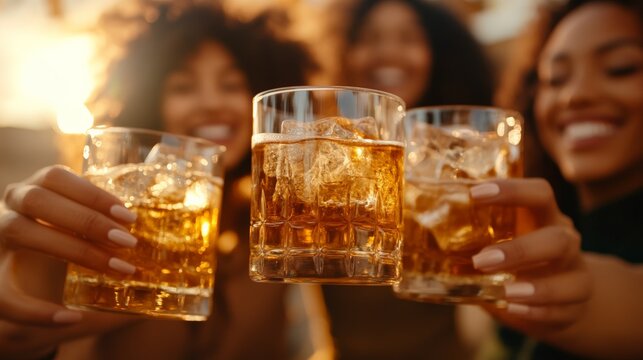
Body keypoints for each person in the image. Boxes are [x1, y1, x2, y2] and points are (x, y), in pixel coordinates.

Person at [0, 3, 317, 359]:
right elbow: (20, 336)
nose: (212, 103)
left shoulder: (277, 241)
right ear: (148, 102)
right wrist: (19, 288)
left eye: (232, 85)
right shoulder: (109, 228)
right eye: (182, 87)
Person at [319, 1, 495, 359]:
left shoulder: (471, 163)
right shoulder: (321, 159)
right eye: (370, 37)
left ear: (438, 53)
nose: (388, 52)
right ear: (345, 52)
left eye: (408, 37)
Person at [474, 0, 643, 358]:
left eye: (620, 68)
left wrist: (581, 299)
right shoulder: (523, 235)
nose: (574, 95)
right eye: (554, 78)